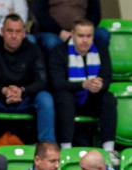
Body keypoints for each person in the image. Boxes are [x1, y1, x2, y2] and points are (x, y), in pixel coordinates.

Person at [0, 14, 55, 144]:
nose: (14, 35)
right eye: (10, 31)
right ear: (2, 32)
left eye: (18, 31)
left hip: (25, 99)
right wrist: (3, 91)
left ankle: (47, 145)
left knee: (45, 98)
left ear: (24, 33)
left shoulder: (34, 50)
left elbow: (42, 82)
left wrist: (22, 91)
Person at [47, 18, 116, 154]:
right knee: (64, 97)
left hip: (91, 100)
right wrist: (83, 84)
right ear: (72, 34)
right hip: (68, 101)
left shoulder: (101, 50)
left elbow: (107, 77)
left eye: (89, 36)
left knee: (108, 98)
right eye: (81, 36)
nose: (85, 40)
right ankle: (65, 149)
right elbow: (57, 83)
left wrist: (100, 85)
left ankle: (109, 150)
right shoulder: (59, 51)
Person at [32, 0, 108, 55]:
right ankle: (57, 71)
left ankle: (98, 70)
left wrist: (82, 30)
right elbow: (39, 13)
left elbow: (95, 13)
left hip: (83, 30)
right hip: (51, 32)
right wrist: (60, 32)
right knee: (52, 42)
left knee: (102, 35)